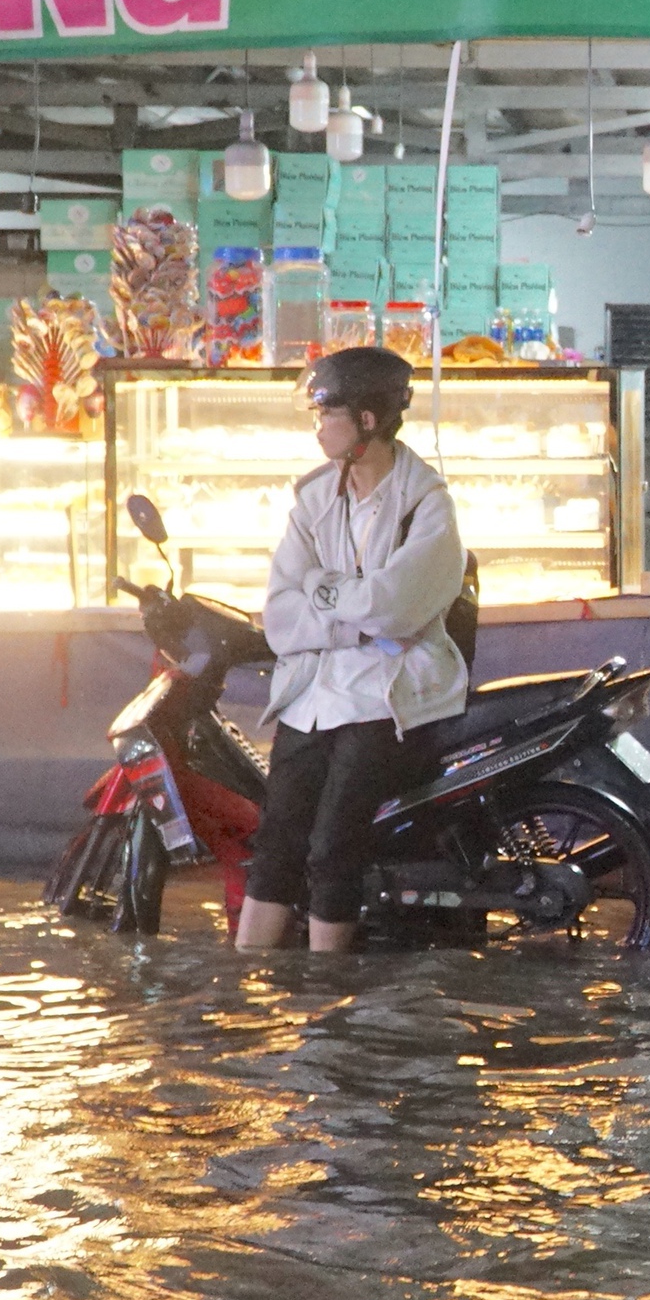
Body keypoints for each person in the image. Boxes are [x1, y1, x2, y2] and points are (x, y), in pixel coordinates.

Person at [236, 347, 469, 952]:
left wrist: (325, 592)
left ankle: (325, 995)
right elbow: (281, 618)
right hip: (314, 689)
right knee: (277, 841)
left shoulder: (428, 506)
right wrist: (350, 612)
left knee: (334, 846)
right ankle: (246, 982)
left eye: (326, 411)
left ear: (367, 420)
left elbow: (392, 607)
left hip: (390, 694)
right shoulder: (314, 500)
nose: (317, 425)